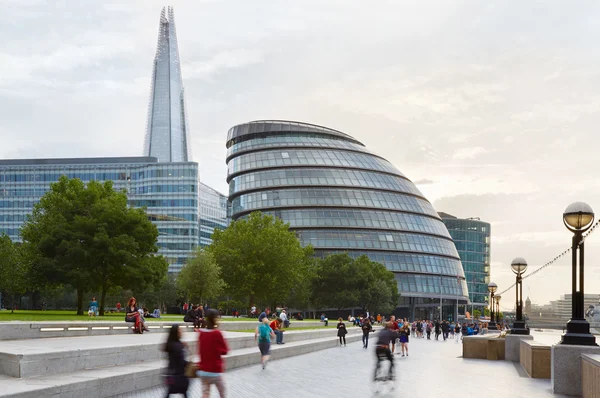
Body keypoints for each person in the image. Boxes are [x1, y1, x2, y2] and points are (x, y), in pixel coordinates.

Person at [197, 309, 228, 397]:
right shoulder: (217, 333)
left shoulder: (201, 333)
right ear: (215, 319)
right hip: (215, 371)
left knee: (205, 393)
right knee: (222, 393)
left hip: (203, 370)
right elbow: (225, 351)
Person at [163, 324, 189, 397]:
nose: (182, 332)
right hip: (179, 375)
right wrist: (190, 364)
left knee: (169, 392)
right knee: (183, 391)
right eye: (180, 330)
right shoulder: (177, 346)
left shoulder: (170, 343)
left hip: (170, 374)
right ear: (176, 333)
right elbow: (181, 361)